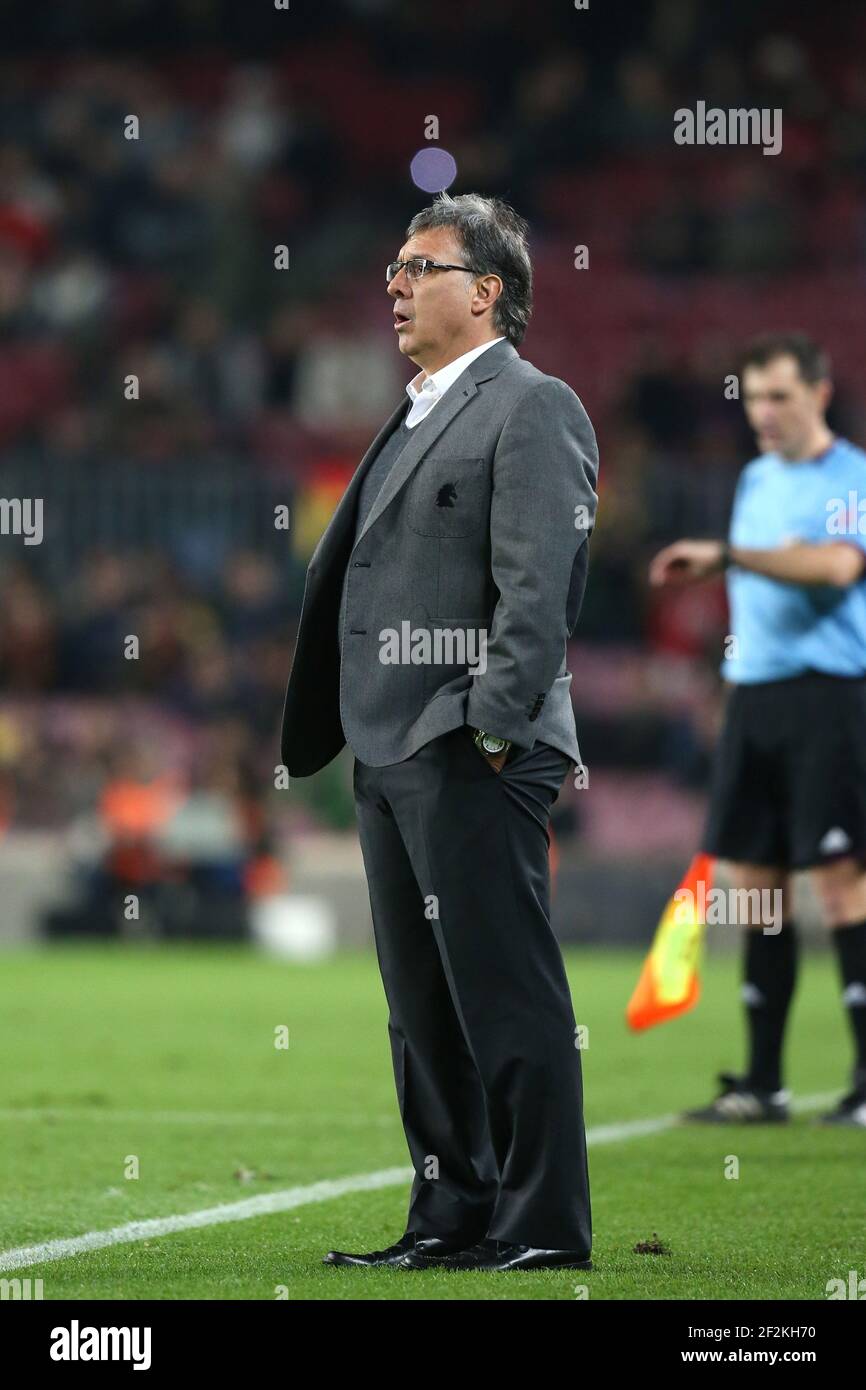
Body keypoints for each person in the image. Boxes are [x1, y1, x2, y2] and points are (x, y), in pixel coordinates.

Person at [280, 191, 599, 1270]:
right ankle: (448, 1213)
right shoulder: (417, 407)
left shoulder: (533, 404)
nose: (395, 285)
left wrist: (493, 728)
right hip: (387, 744)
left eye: (419, 267)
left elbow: (537, 584)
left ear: (485, 291)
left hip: (467, 738)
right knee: (419, 1004)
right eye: (394, 267)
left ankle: (541, 1225)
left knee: (502, 989)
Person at [649, 333, 866, 1128]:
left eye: (779, 396)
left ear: (820, 390)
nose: (763, 413)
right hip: (754, 697)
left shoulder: (852, 478)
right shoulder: (754, 479)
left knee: (842, 883)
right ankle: (764, 1083)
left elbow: (840, 568)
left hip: (829, 695)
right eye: (755, 397)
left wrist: (730, 555)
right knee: (756, 887)